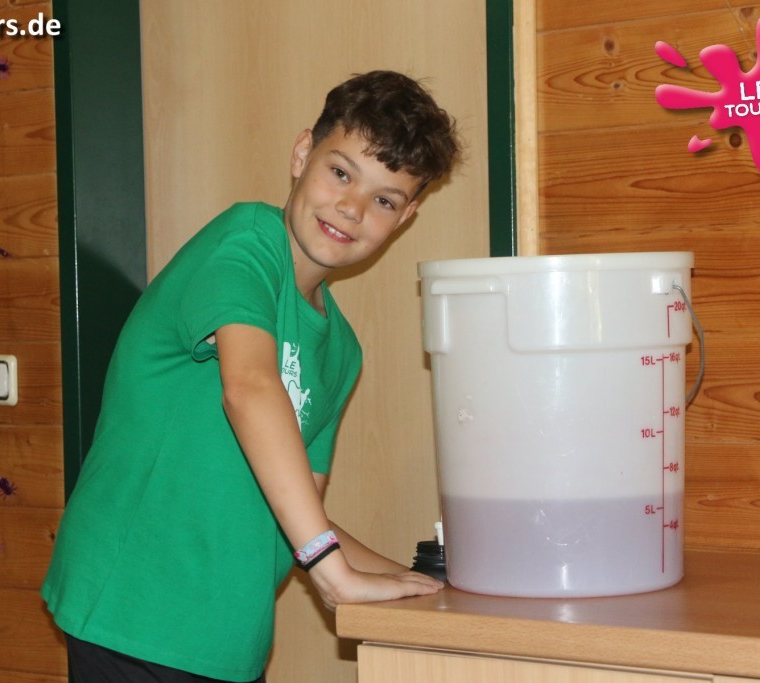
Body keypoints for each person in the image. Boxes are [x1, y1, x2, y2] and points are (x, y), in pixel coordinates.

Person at [41, 69, 462, 683]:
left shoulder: (341, 350)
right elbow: (250, 387)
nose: (351, 208)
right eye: (341, 172)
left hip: (226, 640)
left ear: (405, 218)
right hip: (134, 607)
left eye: (384, 200)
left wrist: (416, 582)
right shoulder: (245, 244)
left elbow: (296, 505)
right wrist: (332, 571)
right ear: (301, 153)